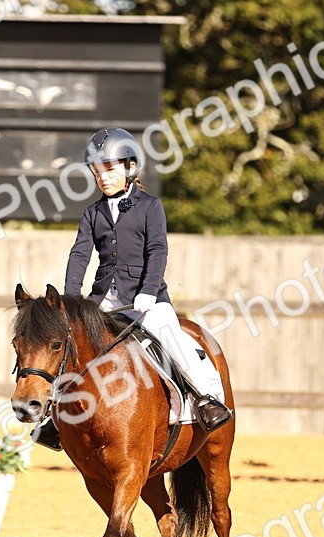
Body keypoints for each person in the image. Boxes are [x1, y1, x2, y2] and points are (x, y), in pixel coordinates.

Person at [31, 127, 232, 451]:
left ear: (129, 167)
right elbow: (80, 253)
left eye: (109, 169)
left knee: (168, 333)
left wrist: (149, 291)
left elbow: (157, 250)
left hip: (146, 298)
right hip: (102, 301)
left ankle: (206, 399)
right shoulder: (92, 213)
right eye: (97, 171)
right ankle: (55, 421)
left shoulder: (150, 206)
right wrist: (70, 300)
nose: (102, 177)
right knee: (71, 346)